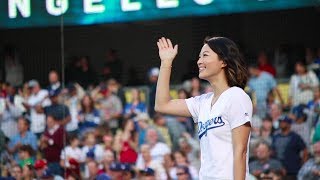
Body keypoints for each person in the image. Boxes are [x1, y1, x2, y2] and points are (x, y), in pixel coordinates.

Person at [154, 37, 252, 179]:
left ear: (223, 61)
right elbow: (162, 105)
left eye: (205, 55)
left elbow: (240, 151)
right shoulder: (202, 102)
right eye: (199, 57)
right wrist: (166, 63)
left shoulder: (236, 96)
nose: (199, 61)